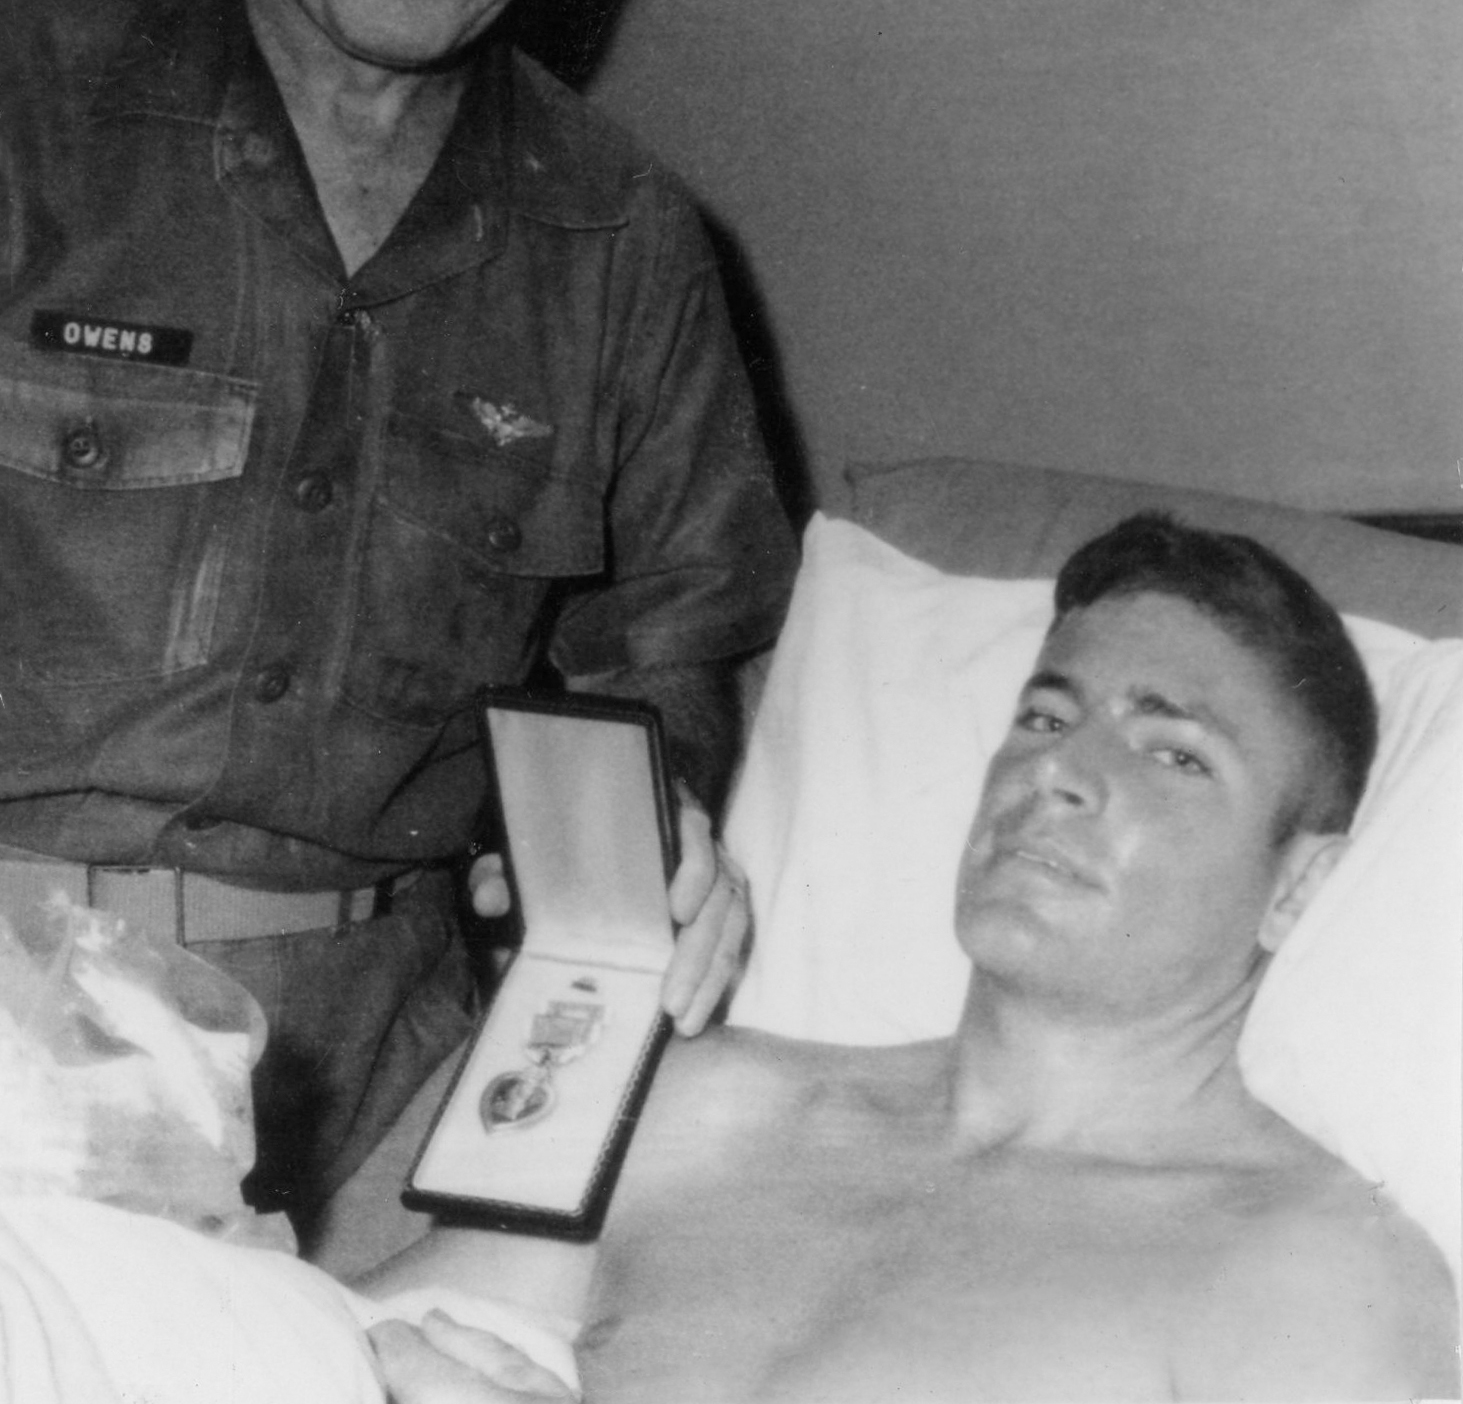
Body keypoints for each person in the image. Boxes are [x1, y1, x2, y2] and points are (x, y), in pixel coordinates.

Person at [0, 0, 796, 1224]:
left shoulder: (628, 246)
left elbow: (677, 664)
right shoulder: (27, 112)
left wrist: (654, 828)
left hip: (391, 1102)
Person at [362, 514, 1460, 1403]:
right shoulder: (708, 1111)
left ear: (1297, 886)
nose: (1058, 772)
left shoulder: (1311, 1272)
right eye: (1045, 718)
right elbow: (334, 1347)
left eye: (1174, 753)